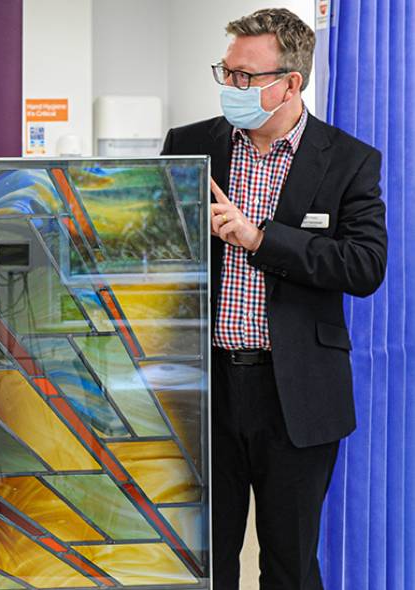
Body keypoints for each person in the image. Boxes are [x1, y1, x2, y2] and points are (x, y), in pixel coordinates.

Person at [161, 8, 387, 590]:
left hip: (297, 395)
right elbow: (155, 253)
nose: (229, 87)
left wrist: (260, 238)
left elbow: (364, 266)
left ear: (292, 82)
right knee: (203, 564)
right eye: (226, 71)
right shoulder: (189, 145)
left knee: (289, 564)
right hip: (204, 392)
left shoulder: (348, 159)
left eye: (245, 77)